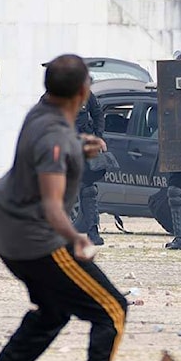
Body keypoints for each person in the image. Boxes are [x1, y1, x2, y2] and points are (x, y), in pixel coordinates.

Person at [0, 55, 129, 361]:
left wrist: (78, 147)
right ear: (85, 92)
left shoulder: (42, 114)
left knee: (52, 312)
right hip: (36, 237)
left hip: (8, 231)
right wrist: (77, 238)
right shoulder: (55, 137)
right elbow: (52, 204)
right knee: (113, 310)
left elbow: (52, 147)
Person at [73, 90, 105, 245]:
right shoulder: (51, 95)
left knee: (88, 190)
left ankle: (93, 232)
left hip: (84, 147)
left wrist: (98, 137)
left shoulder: (85, 94)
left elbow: (98, 114)